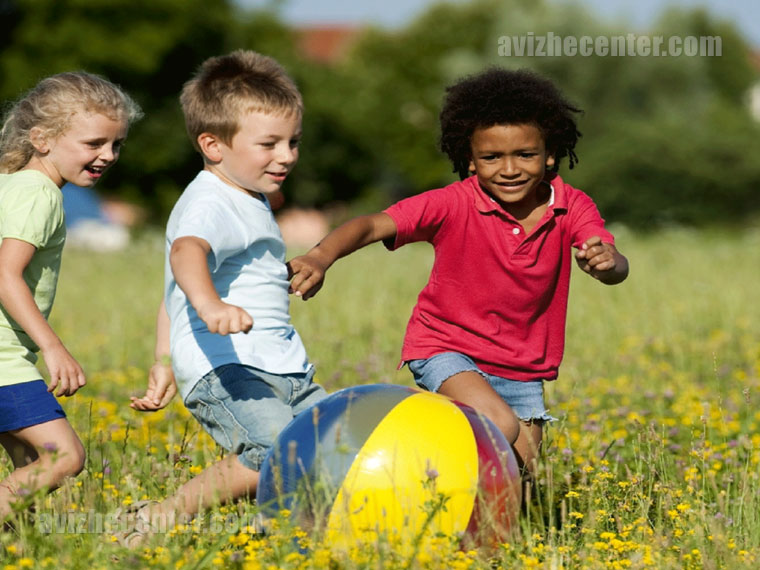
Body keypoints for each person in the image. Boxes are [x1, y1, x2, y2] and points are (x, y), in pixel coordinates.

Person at [288, 68, 629, 475]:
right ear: (470, 160)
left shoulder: (571, 206)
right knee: (495, 426)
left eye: (525, 154)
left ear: (549, 154)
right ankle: (405, 463)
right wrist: (320, 257)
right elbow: (373, 224)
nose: (509, 169)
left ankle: (486, 535)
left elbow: (613, 261)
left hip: (522, 366)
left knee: (523, 471)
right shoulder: (452, 203)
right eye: (491, 157)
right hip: (445, 347)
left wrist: (607, 263)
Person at [127, 50, 326, 544]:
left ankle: (297, 539)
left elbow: (172, 291)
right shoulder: (209, 201)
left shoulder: (247, 197)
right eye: (270, 144)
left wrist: (162, 359)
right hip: (230, 367)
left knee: (329, 445)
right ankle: (160, 517)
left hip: (282, 365)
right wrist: (211, 306)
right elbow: (187, 256)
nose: (287, 156)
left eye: (293, 142)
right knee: (279, 451)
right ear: (213, 145)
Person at [0, 72, 141, 521]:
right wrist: (53, 347)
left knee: (27, 464)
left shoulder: (12, 185)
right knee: (64, 457)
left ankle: (20, 549)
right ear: (42, 138)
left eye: (116, 144)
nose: (108, 155)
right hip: (3, 360)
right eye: (94, 143)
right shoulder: (39, 193)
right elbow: (5, 274)